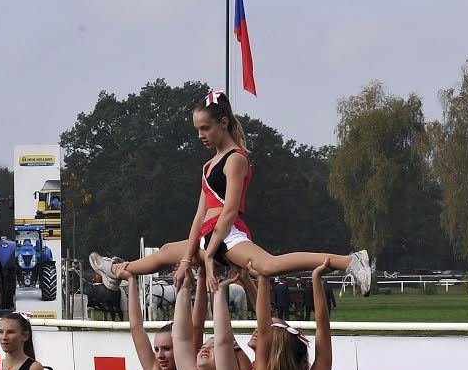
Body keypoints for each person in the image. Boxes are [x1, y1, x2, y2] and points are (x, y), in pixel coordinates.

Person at [88, 91, 374, 296]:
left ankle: (350, 261)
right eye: (197, 129)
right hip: (207, 235)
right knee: (165, 253)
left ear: (223, 123)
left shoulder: (236, 159)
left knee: (268, 265)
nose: (200, 134)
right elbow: (200, 215)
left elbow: (229, 211)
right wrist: (188, 259)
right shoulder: (207, 165)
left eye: (205, 128)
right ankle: (116, 271)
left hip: (225, 235)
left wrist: (209, 255)